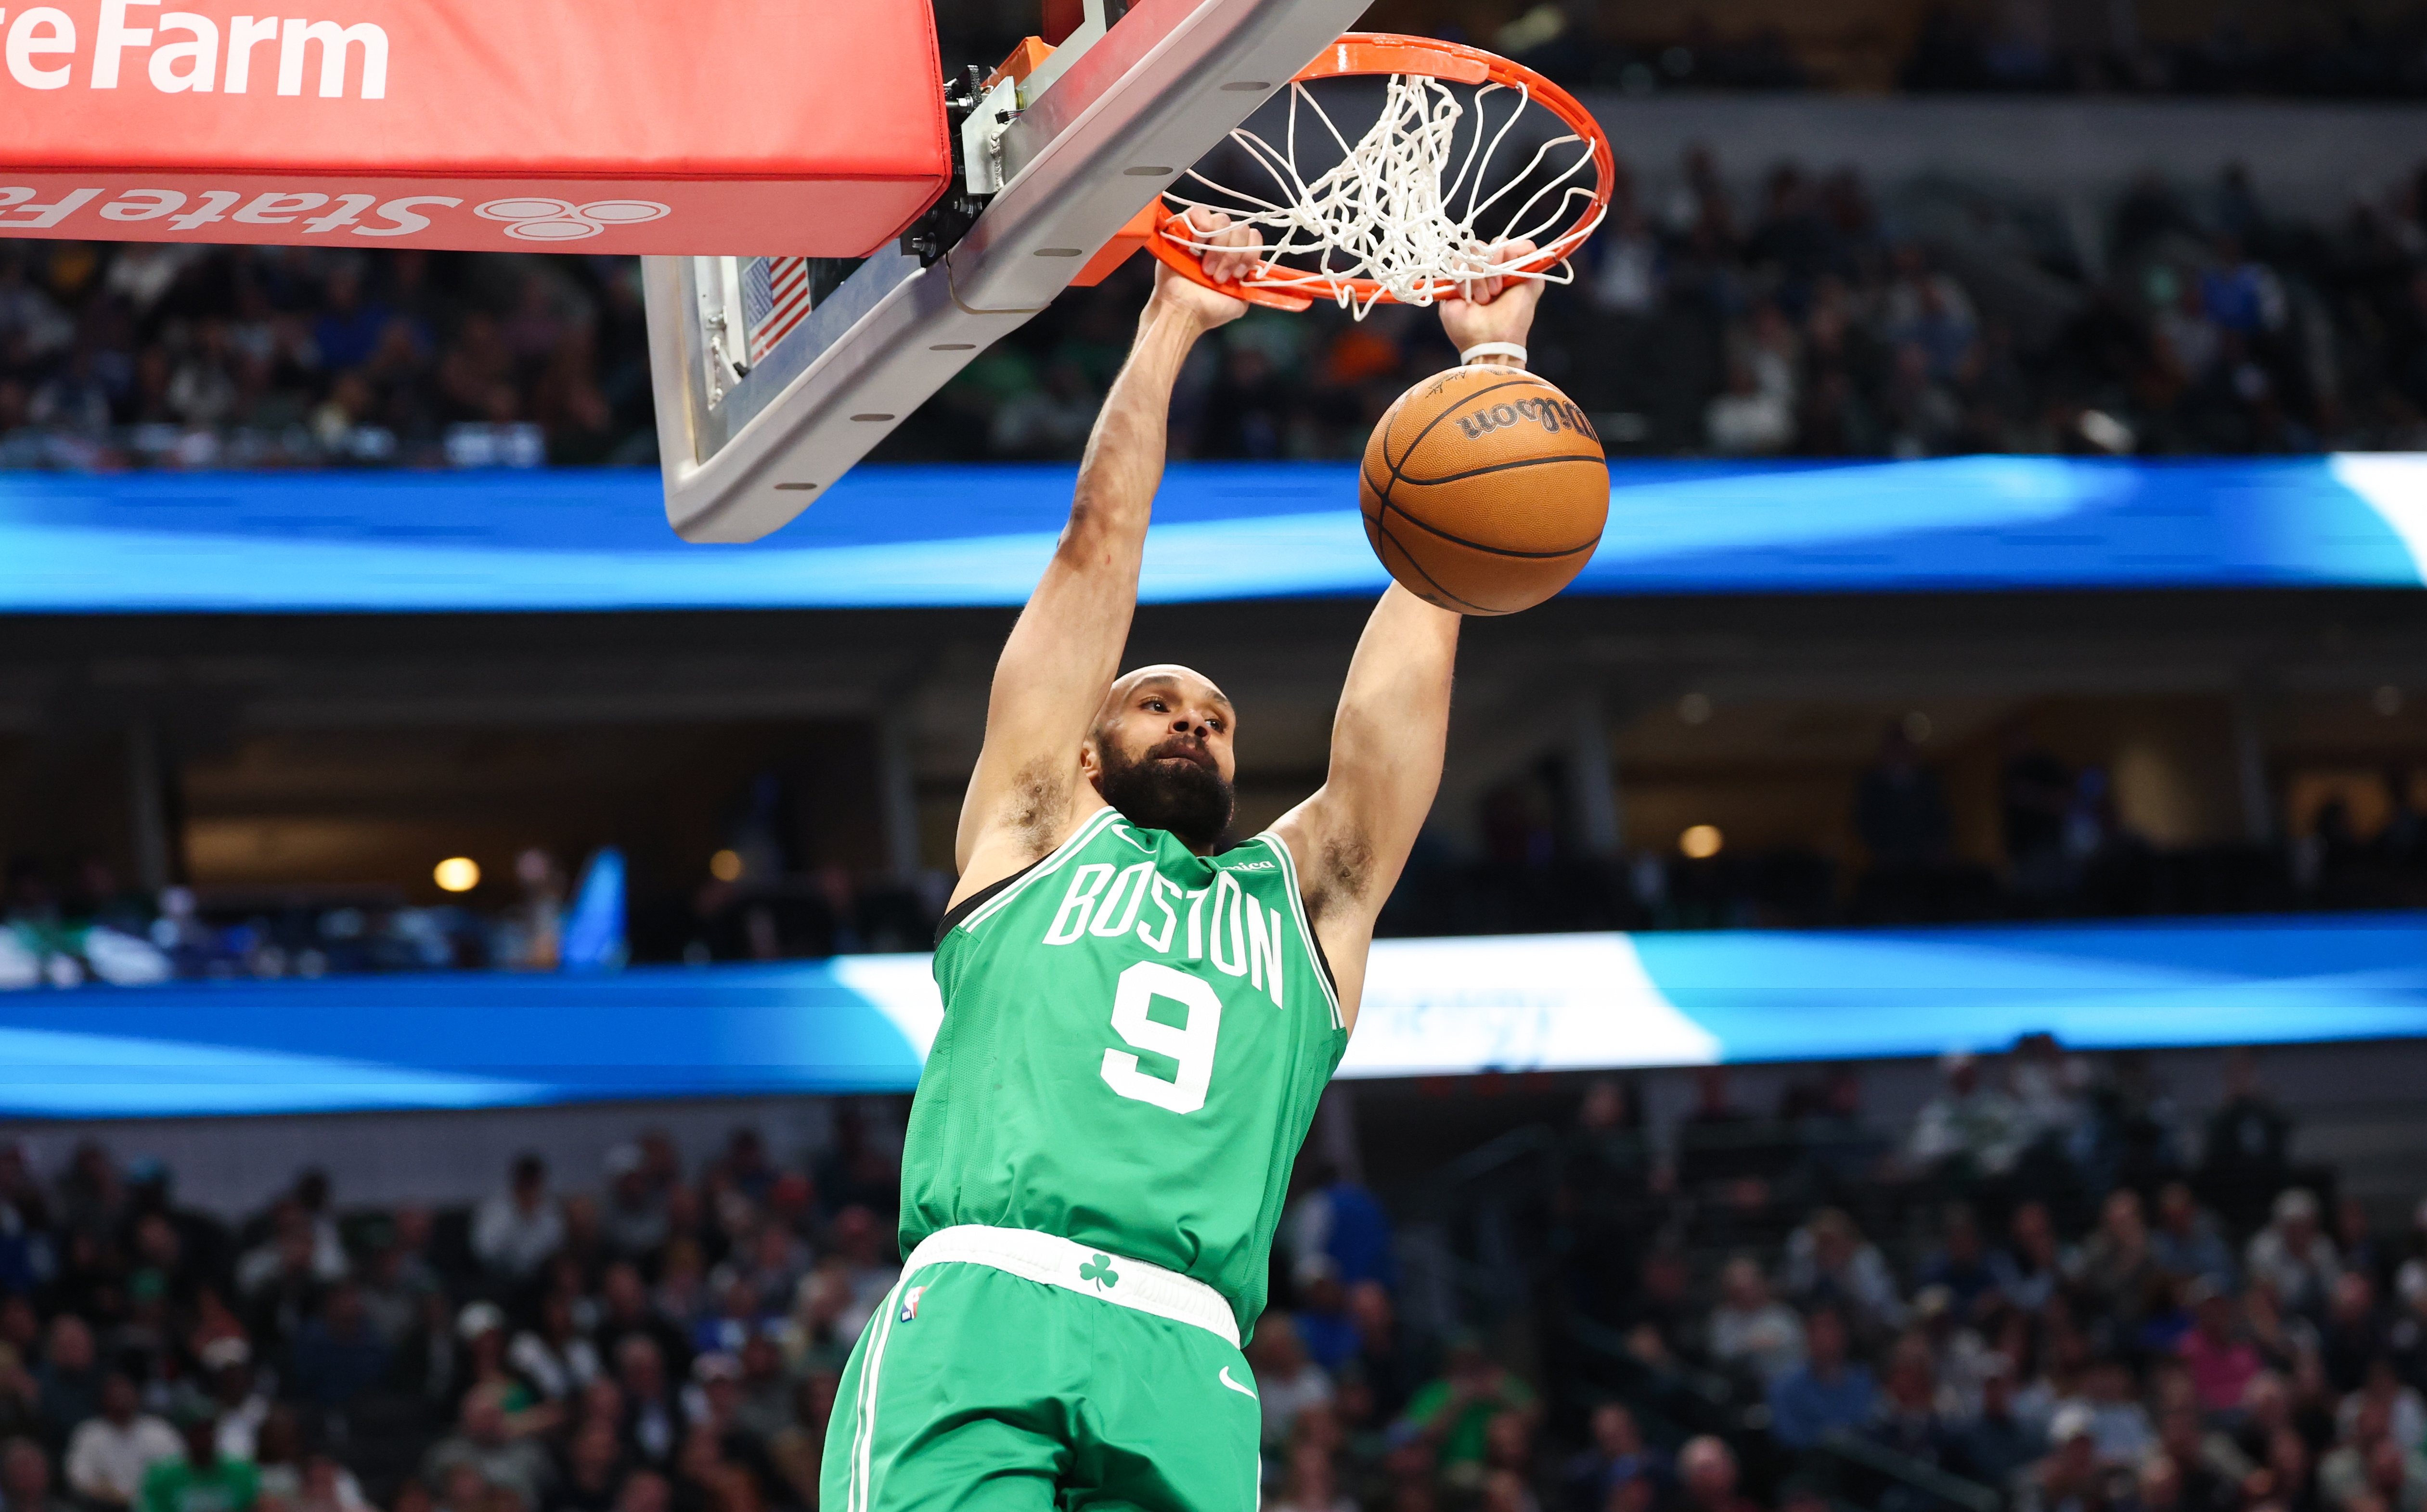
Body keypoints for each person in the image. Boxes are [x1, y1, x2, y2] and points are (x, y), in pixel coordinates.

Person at [814, 208, 1537, 1512]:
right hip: (989, 1296)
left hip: (1189, 1343)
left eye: (1214, 716)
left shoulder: (1299, 899)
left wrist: (1486, 376)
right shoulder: (1035, 825)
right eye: (1155, 703)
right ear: (1088, 753)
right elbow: (1092, 554)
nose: (1192, 722)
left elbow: (1399, 692)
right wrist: (1171, 322)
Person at [1767, 1306, 1878, 1450]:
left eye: (1831, 1328)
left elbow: (1873, 1425)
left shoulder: (1863, 1379)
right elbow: (1788, 1437)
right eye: (1818, 1329)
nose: (1825, 1336)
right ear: (1808, 1335)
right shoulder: (1784, 1387)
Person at [65, 1375, 180, 1511]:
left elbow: (180, 1469)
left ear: (137, 1396)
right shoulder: (90, 1433)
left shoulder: (159, 1430)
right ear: (104, 1399)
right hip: (106, 1507)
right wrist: (112, 1494)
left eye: (126, 1393)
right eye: (116, 1394)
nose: (122, 1399)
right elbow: (78, 1478)